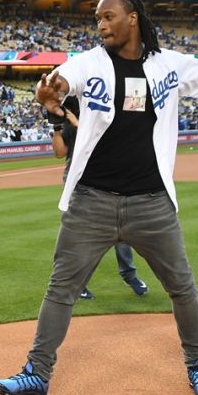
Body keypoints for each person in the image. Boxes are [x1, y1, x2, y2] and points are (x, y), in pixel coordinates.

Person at [0, 0, 198, 395]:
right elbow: (61, 83)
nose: (101, 25)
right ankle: (36, 375)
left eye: (108, 16)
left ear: (132, 18)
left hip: (152, 203)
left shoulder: (168, 64)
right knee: (61, 289)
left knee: (182, 288)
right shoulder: (89, 63)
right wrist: (51, 99)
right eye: (97, 19)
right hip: (91, 201)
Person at [47, 95, 149, 301]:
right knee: (86, 237)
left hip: (111, 180)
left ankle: (129, 276)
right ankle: (80, 284)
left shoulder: (101, 121)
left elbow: (97, 135)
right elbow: (60, 152)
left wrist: (73, 119)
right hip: (80, 185)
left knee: (123, 234)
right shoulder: (70, 126)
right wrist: (57, 127)